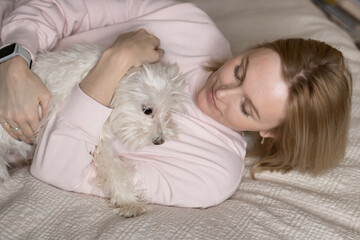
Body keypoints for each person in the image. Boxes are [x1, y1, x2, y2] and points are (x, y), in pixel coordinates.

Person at [0, 0, 352, 208]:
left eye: (247, 108)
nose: (222, 91)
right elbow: (60, 6)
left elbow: (57, 168)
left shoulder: (212, 172)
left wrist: (117, 59)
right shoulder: (190, 23)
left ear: (270, 130)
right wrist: (14, 60)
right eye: (241, 69)